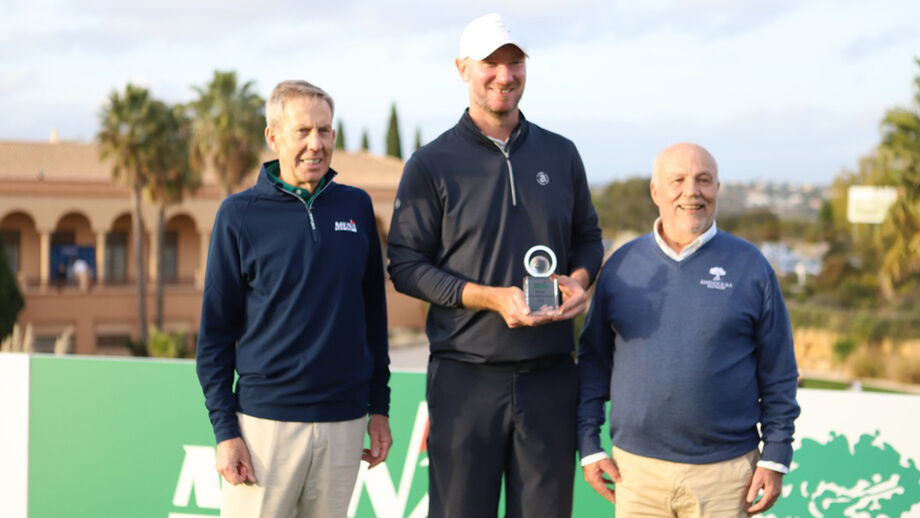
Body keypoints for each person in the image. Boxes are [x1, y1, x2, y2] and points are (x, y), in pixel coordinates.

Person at [386, 13, 603, 518]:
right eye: (491, 63)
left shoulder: (562, 153)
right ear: (463, 69)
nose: (504, 75)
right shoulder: (430, 163)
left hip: (550, 375)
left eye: (515, 62)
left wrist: (579, 280)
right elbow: (405, 265)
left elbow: (588, 239)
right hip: (466, 377)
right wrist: (488, 297)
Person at [195, 80, 392, 518]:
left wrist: (379, 408)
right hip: (265, 428)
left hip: (344, 424)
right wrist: (226, 432)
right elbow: (213, 338)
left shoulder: (356, 208)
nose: (315, 145)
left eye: (324, 131)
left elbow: (373, 322)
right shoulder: (238, 215)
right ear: (273, 136)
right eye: (302, 131)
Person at [577, 142, 800, 517]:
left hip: (727, 478)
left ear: (717, 189)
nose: (691, 191)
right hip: (636, 475)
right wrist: (589, 445)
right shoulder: (621, 267)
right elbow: (593, 363)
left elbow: (778, 371)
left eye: (703, 180)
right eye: (677, 180)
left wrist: (776, 455)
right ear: (655, 191)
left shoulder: (751, 266)